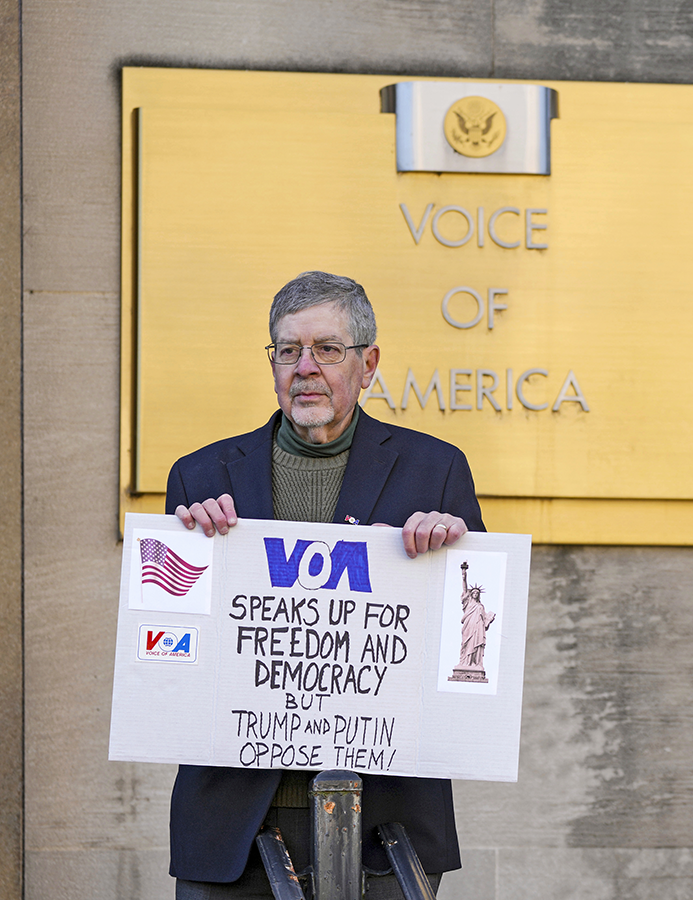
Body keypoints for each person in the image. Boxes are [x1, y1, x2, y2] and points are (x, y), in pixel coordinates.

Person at [166, 271, 482, 898]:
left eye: (328, 350)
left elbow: (467, 654)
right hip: (234, 821)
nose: (305, 368)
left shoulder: (436, 471)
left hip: (386, 825)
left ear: (368, 364)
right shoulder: (201, 477)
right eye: (288, 350)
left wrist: (452, 555)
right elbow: (173, 659)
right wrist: (184, 574)